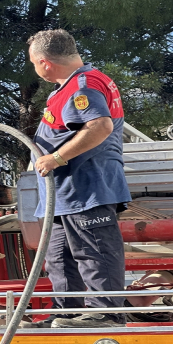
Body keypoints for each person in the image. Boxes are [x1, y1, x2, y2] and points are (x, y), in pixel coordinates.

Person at [27, 29, 131, 328]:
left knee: (93, 251)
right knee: (59, 258)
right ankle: (67, 313)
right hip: (64, 193)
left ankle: (105, 311)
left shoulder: (83, 86)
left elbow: (99, 126)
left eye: (34, 62)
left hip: (86, 186)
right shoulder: (68, 87)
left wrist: (56, 158)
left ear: (45, 63)